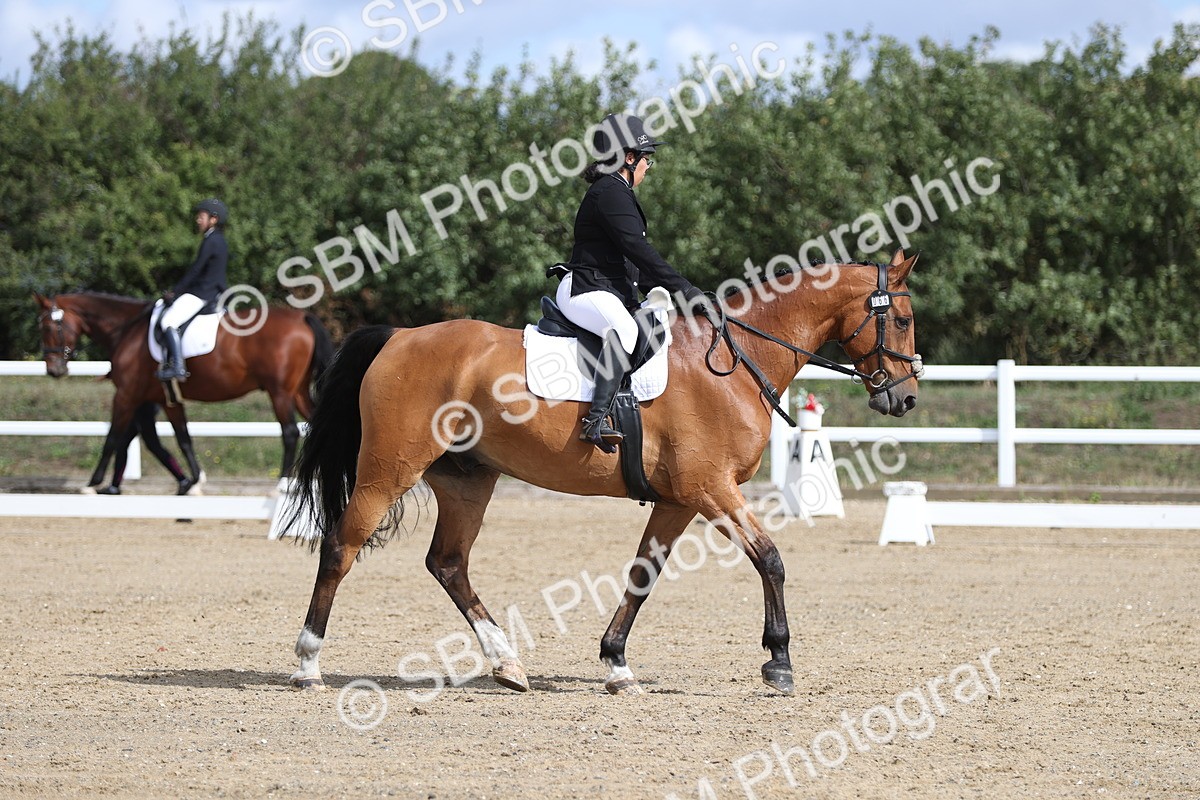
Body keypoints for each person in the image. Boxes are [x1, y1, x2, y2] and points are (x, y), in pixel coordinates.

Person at [558, 113, 708, 452]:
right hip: (585, 288)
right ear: (629, 157)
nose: (646, 168)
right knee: (626, 331)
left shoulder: (615, 190)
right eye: (646, 160)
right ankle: (596, 421)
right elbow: (637, 249)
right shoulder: (610, 192)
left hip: (603, 288)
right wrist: (684, 289)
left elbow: (626, 259)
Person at [156, 198, 229, 382]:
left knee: (168, 321)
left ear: (213, 219)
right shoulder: (219, 240)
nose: (198, 220)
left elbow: (196, 270)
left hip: (202, 293)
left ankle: (178, 367)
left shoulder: (210, 241)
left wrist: (176, 291)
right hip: (213, 292)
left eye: (201, 216)